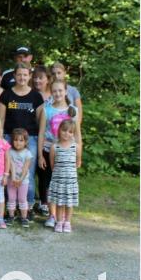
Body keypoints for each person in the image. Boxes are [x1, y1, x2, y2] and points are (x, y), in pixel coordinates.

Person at [0, 63, 43, 216]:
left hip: (29, 139)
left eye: (25, 75)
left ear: (29, 76)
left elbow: (39, 122)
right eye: (19, 75)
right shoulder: (6, 95)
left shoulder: (36, 97)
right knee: (8, 172)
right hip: (9, 138)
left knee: (27, 173)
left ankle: (27, 207)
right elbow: (1, 119)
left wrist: (37, 140)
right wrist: (1, 139)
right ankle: (9, 206)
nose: (22, 77)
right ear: (14, 76)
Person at [37, 79, 83, 227]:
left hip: (67, 153)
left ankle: (64, 218)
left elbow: (77, 135)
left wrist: (78, 155)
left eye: (60, 90)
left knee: (65, 184)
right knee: (50, 184)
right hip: (49, 150)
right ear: (51, 92)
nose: (57, 93)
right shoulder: (47, 109)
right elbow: (42, 133)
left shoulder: (72, 110)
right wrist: (39, 155)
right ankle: (52, 215)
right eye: (54, 91)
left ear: (65, 91)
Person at [48, 119, 80, 233]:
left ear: (73, 133)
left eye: (70, 132)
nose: (67, 134)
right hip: (58, 181)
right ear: (59, 130)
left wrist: (69, 173)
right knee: (60, 203)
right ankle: (59, 221)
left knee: (69, 203)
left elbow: (78, 162)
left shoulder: (76, 147)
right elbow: (52, 164)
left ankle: (67, 222)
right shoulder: (54, 147)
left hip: (70, 181)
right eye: (64, 130)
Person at [6, 128, 33, 228]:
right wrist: (13, 179)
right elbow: (10, 166)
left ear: (25, 142)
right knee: (12, 198)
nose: (18, 143)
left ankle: (24, 217)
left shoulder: (27, 153)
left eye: (21, 140)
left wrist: (20, 180)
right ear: (12, 140)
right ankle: (11, 216)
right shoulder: (9, 152)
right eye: (16, 140)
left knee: (22, 199)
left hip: (23, 181)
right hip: (11, 180)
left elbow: (26, 168)